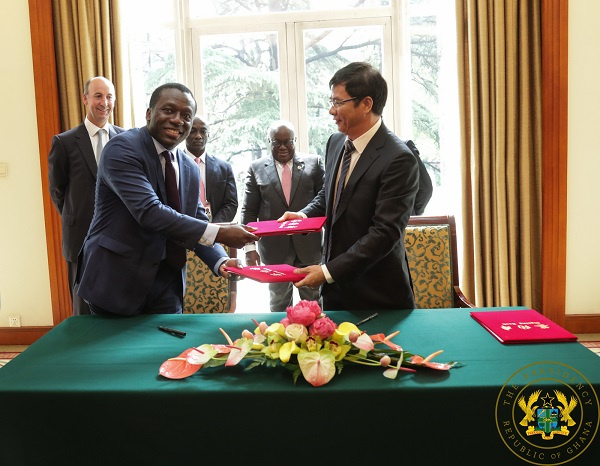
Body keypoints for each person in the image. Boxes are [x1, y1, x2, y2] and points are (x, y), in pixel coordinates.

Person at [76, 83, 258, 317]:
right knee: (116, 353)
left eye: (186, 116)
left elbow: (195, 217)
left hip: (167, 284)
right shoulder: (122, 148)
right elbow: (149, 212)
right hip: (116, 280)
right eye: (169, 110)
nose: (177, 120)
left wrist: (221, 260)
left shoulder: (188, 168)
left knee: (168, 352)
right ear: (149, 113)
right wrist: (222, 233)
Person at [280, 62, 420, 311]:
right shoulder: (336, 142)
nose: (331, 111)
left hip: (378, 294)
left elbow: (384, 233)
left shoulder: (399, 158)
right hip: (336, 292)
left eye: (338, 102)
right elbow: (330, 194)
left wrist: (326, 272)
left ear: (366, 104)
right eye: (331, 101)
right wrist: (303, 215)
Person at [48, 76, 125, 316]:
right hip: (80, 237)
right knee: (83, 307)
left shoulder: (126, 140)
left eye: (109, 96)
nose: (105, 102)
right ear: (85, 99)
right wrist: (78, 216)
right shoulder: (65, 142)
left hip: (120, 236)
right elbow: (57, 190)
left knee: (118, 301)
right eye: (98, 96)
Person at [241, 120, 325, 311]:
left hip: (309, 245)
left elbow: (325, 202)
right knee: (278, 304)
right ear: (268, 142)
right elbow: (249, 211)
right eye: (276, 142)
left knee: (313, 304)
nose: (283, 147)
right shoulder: (256, 168)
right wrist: (249, 248)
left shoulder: (314, 163)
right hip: (274, 248)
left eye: (288, 142)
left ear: (295, 140)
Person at [185, 116, 238, 223]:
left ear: (208, 134)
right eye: (193, 131)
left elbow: (231, 203)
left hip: (216, 230)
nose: (198, 136)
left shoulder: (224, 167)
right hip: (185, 230)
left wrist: (214, 229)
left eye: (203, 131)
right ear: (185, 132)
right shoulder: (174, 164)